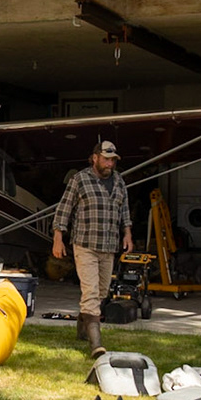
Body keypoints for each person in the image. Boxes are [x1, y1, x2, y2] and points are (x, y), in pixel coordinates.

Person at [51, 139, 132, 353]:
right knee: (91, 292)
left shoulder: (119, 181)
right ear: (95, 158)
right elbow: (63, 210)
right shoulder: (80, 179)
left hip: (109, 245)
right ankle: (96, 344)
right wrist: (58, 238)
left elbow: (125, 211)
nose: (109, 164)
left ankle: (82, 327)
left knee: (102, 292)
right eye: (106, 159)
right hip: (85, 244)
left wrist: (128, 234)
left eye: (112, 160)